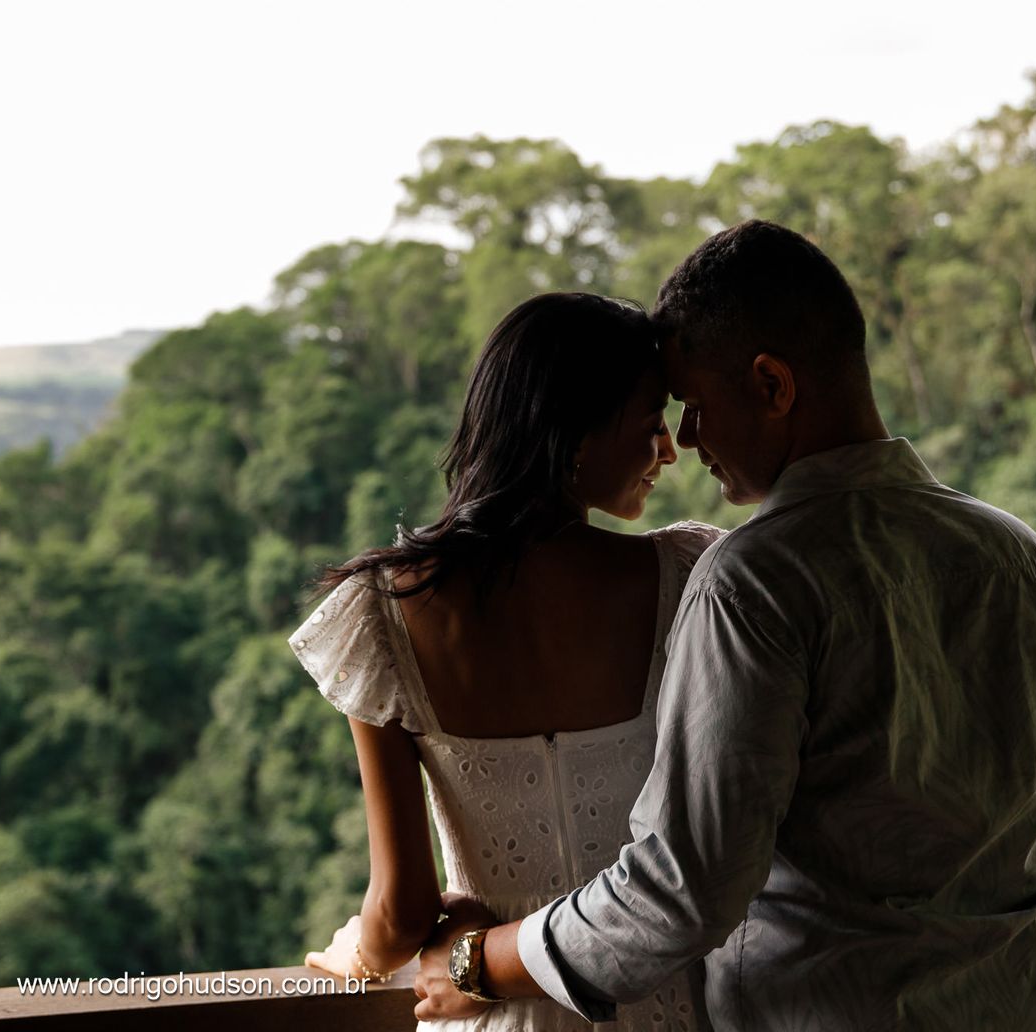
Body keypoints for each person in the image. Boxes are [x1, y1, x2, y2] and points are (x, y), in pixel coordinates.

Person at [411, 220, 1036, 1029]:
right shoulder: (1031, 564)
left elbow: (684, 889)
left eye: (698, 406)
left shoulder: (756, 583)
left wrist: (479, 962)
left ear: (773, 385)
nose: (688, 440)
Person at [291, 291, 720, 1031]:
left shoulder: (382, 613)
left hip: (484, 1005)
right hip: (660, 1003)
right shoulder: (689, 579)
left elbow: (401, 913)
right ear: (575, 434)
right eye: (652, 424)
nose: (670, 450)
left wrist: (353, 960)